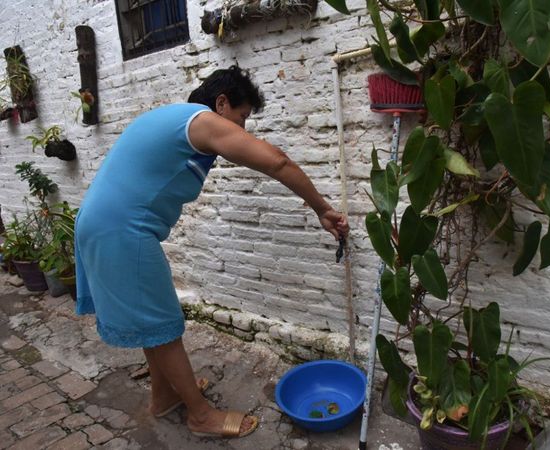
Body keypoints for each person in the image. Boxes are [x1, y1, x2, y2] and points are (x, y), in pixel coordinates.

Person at [74, 65, 349, 439]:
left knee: (150, 319)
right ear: (221, 103)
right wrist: (321, 208)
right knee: (163, 325)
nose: (243, 129)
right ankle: (201, 416)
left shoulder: (174, 118)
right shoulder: (202, 122)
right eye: (242, 117)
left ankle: (164, 398)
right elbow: (278, 161)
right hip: (122, 232)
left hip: (102, 225)